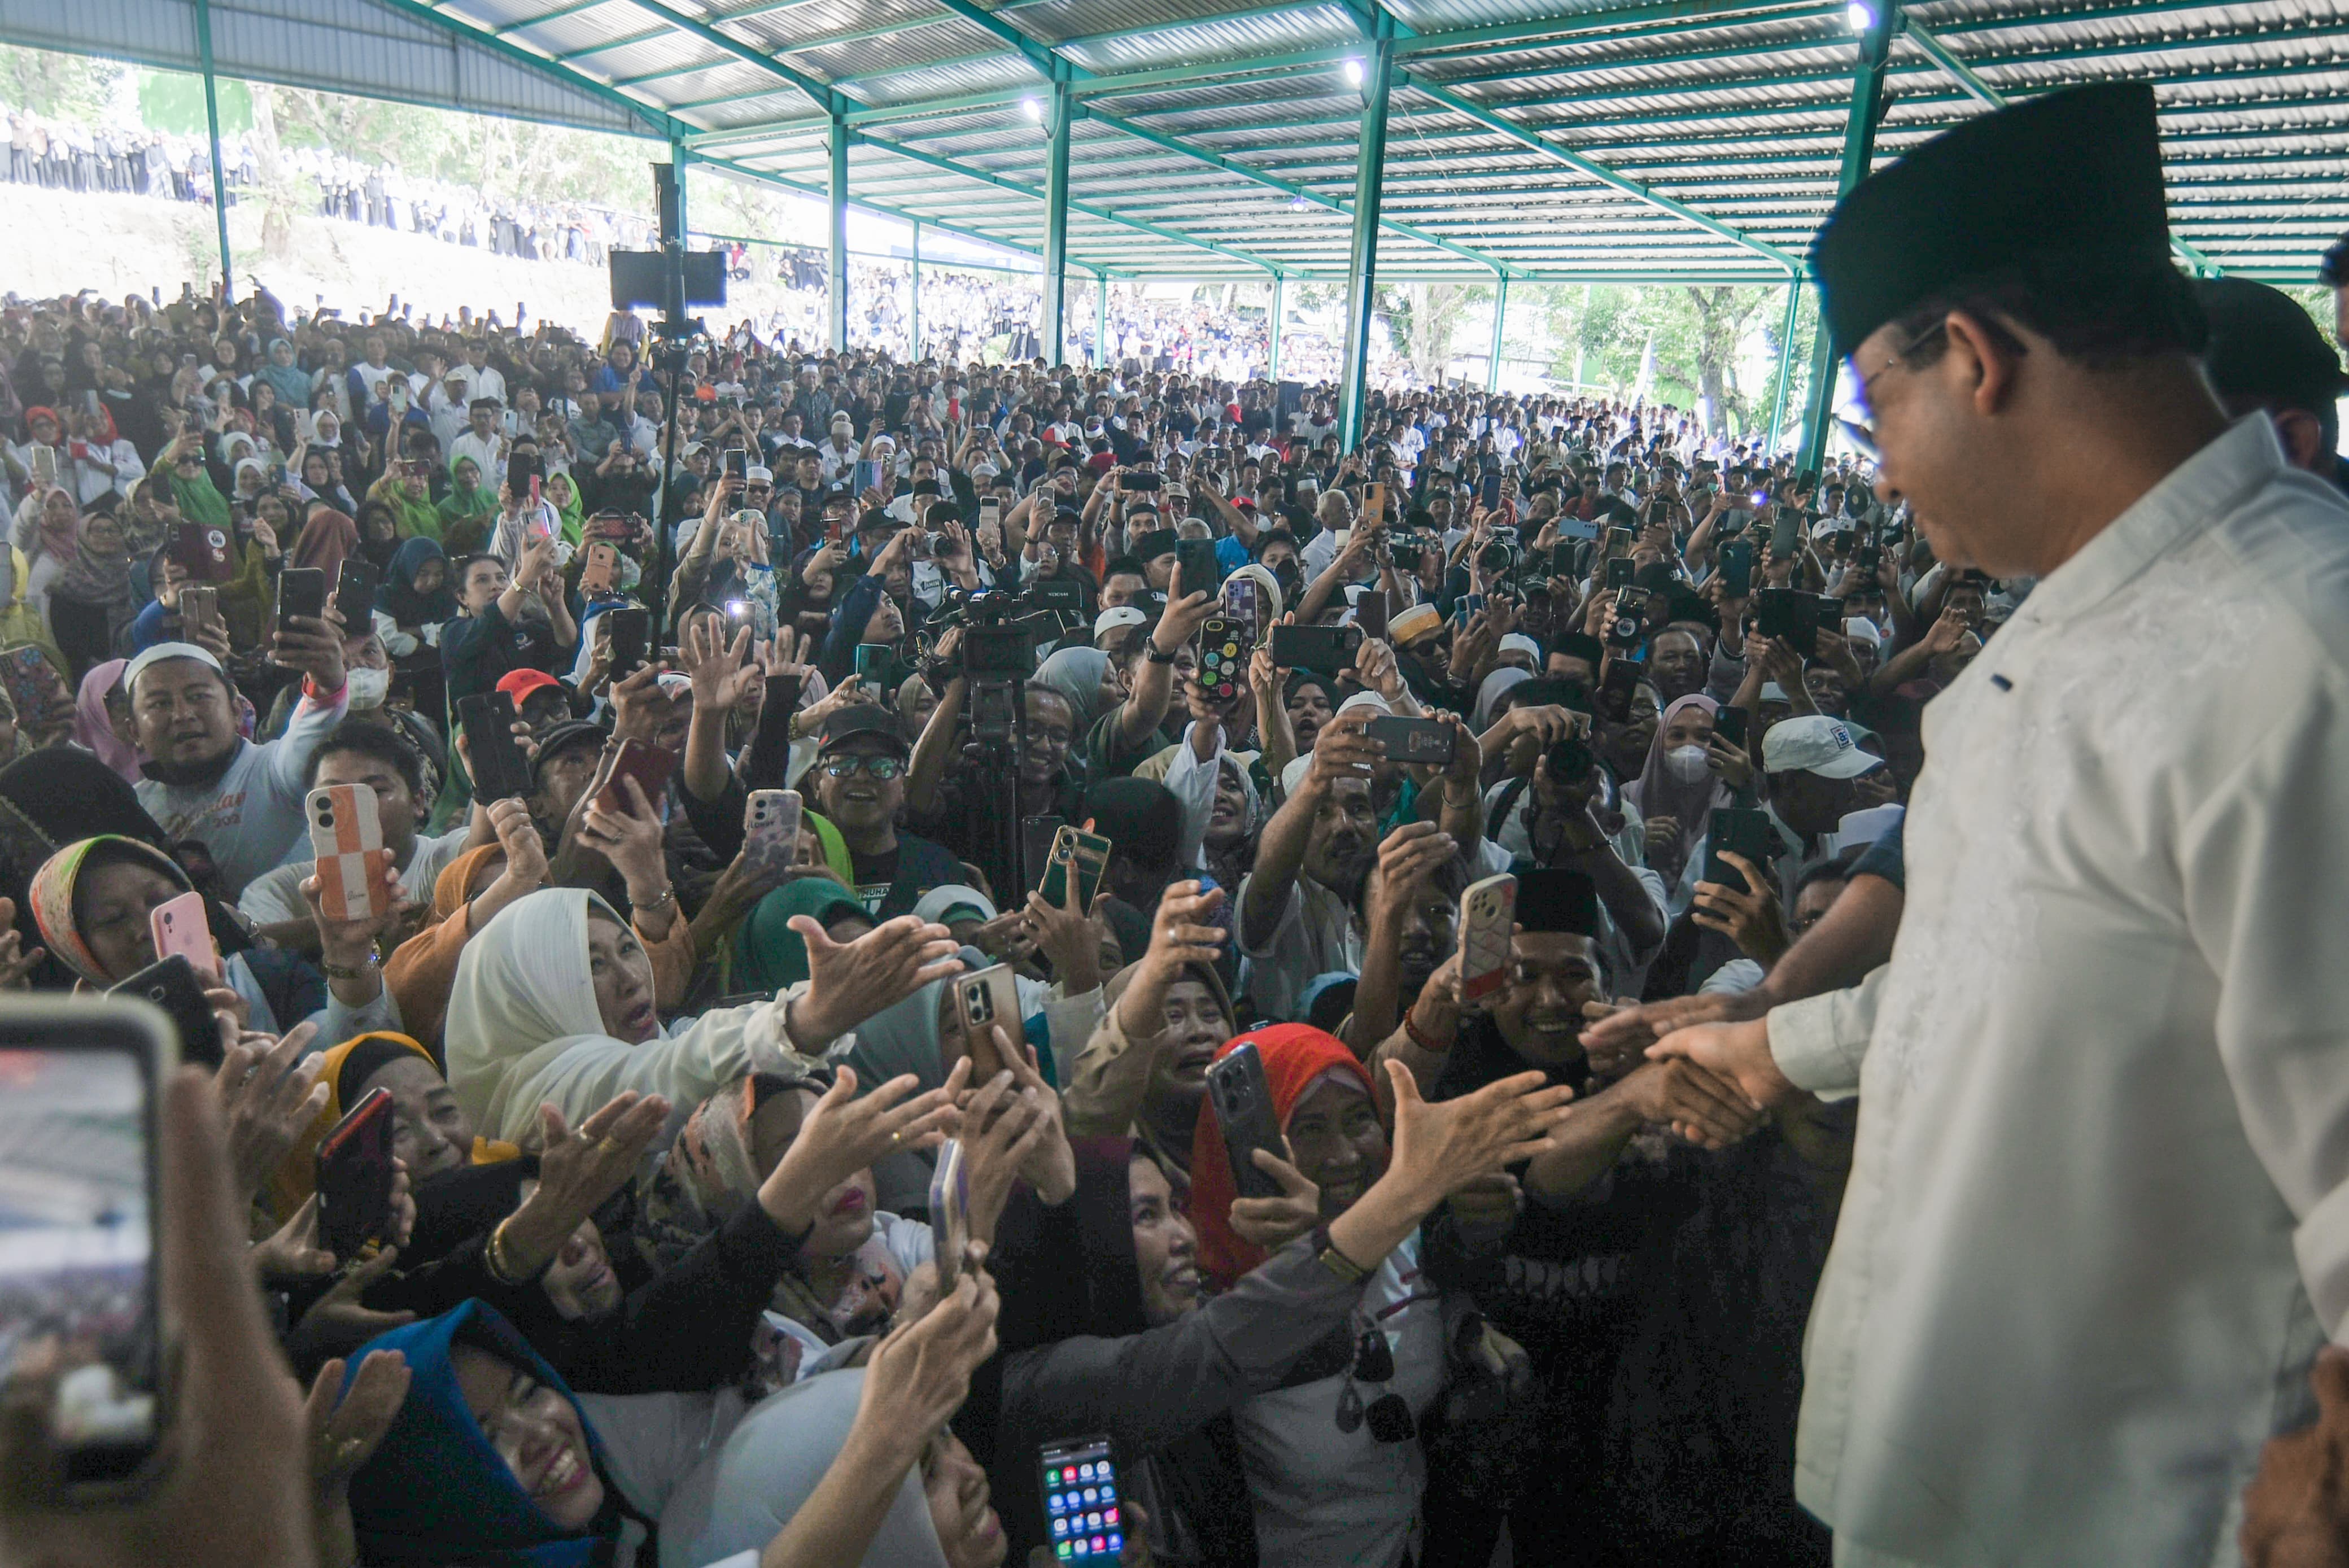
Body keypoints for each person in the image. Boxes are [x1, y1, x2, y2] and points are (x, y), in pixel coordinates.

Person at [1640, 82, 2349, 1566]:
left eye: (1876, 407)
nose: (1880, 467)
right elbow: (2019, 974)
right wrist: (1780, 1045)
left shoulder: (2302, 657)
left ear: (1974, 359)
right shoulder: (2090, 635)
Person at [125, 636, 350, 899]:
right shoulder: (134, 807)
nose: (182, 714)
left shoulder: (274, 769)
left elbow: (315, 721)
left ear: (236, 710)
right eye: (159, 704)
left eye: (199, 696)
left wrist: (326, 682)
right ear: (134, 731)